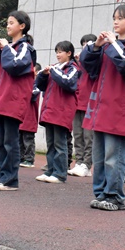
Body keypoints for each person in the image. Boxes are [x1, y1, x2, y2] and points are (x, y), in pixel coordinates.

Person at [81, 3, 125, 211]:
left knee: (113, 157)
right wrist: (96, 47)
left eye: (121, 18)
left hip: (118, 109)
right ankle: (101, 194)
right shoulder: (108, 46)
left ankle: (115, 197)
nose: (116, 22)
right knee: (99, 158)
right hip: (101, 108)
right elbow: (88, 66)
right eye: (114, 18)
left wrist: (113, 43)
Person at [0, 10, 36, 191]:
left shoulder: (25, 48)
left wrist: (6, 48)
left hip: (12, 101)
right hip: (0, 100)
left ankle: (11, 179)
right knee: (0, 142)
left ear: (22, 26)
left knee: (10, 141)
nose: (8, 25)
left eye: (11, 22)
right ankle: (2, 174)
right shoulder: (6, 49)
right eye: (7, 22)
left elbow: (14, 66)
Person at [35, 41, 80, 184]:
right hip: (49, 110)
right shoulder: (55, 68)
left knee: (60, 144)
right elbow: (40, 86)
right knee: (51, 143)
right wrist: (43, 75)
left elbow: (68, 83)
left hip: (62, 111)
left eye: (60, 52)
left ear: (69, 53)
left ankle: (60, 173)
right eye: (56, 52)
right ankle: (50, 170)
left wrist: (54, 71)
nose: (57, 55)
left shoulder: (73, 68)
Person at [68, 34, 97, 178]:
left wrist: (85, 60)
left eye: (88, 43)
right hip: (77, 102)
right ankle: (79, 162)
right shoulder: (77, 64)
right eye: (83, 43)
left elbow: (93, 73)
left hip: (90, 104)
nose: (85, 46)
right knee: (77, 135)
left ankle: (87, 164)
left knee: (88, 137)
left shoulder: (94, 61)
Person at [19, 64, 41, 168]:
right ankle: (20, 157)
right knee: (19, 139)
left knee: (28, 139)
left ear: (37, 72)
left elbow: (32, 96)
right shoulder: (25, 83)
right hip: (21, 115)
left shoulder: (37, 85)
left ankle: (29, 159)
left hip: (30, 117)